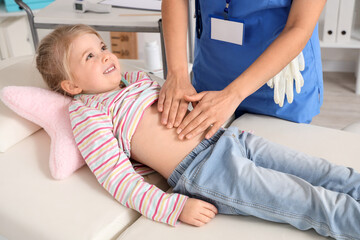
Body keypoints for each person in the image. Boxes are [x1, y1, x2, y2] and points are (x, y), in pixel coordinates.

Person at [36, 24, 360, 239]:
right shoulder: (89, 113)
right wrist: (174, 207)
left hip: (230, 139)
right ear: (72, 85)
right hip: (207, 172)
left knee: (324, 172)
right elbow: (118, 180)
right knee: (309, 201)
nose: (106, 54)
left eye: (102, 45)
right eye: (89, 56)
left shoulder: (134, 80)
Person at [160, 0, 326, 141]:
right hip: (211, 76)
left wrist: (232, 94)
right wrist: (177, 74)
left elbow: (299, 27)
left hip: (275, 85)